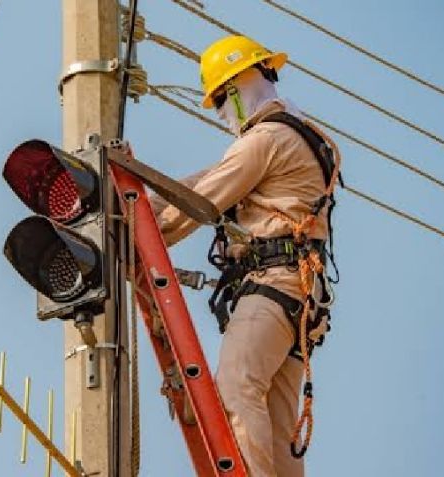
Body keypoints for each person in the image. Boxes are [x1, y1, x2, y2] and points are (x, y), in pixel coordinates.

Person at [153, 35, 341, 476]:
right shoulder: (296, 136)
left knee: (237, 389)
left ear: (236, 88)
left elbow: (202, 202)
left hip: (274, 287)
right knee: (276, 432)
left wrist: (142, 229)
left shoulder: (266, 140)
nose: (221, 113)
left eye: (220, 100)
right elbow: (206, 180)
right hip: (299, 300)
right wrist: (138, 189)